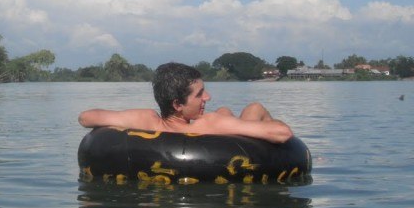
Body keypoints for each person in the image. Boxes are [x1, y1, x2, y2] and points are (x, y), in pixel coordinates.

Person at [78, 62, 293, 143]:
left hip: (228, 132)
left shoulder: (145, 120)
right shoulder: (207, 124)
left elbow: (86, 117)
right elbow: (283, 133)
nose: (207, 97)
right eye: (200, 94)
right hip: (223, 129)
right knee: (252, 108)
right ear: (177, 105)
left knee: (234, 110)